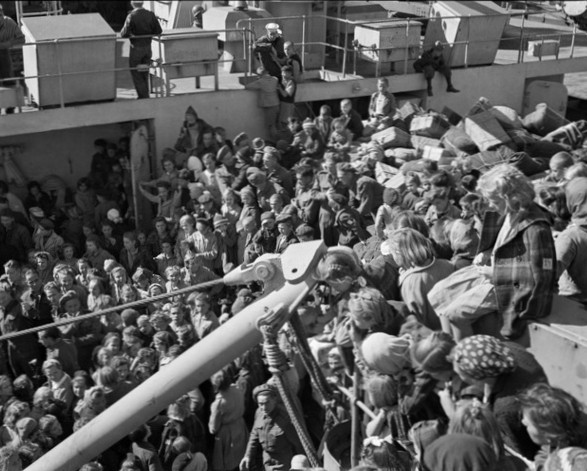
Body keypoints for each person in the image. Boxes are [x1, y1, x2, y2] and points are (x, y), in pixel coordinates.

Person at [475, 164, 556, 340]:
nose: (490, 205)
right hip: (496, 280)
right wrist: (488, 251)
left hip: (512, 296)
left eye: (495, 201)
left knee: (454, 314)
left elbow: (541, 277)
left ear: (512, 198)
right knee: (440, 294)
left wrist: (495, 273)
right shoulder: (510, 213)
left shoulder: (536, 230)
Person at [240, 384, 303, 471]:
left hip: (283, 462)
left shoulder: (285, 419)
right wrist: (247, 456)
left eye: (267, 403)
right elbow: (254, 435)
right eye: (260, 404)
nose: (264, 407)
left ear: (274, 400)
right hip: (267, 460)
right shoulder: (259, 413)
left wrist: (302, 466)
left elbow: (298, 444)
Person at [120, 0, 162, 99]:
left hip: (136, 48)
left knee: (135, 71)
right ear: (142, 3)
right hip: (148, 47)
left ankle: (143, 96)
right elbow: (158, 30)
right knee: (144, 71)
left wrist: (133, 35)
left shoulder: (132, 16)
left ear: (132, 4)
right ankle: (144, 94)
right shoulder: (150, 14)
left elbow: (123, 33)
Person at [0, 3, 24, 115]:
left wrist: (7, 44)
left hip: (5, 55)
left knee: (9, 81)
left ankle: (10, 108)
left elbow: (21, 39)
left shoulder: (9, 22)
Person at [245, 67, 280, 141]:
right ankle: (276, 140)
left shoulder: (261, 81)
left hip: (269, 106)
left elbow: (247, 86)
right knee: (275, 125)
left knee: (271, 126)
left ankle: (274, 141)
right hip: (276, 104)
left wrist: (257, 80)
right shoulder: (275, 79)